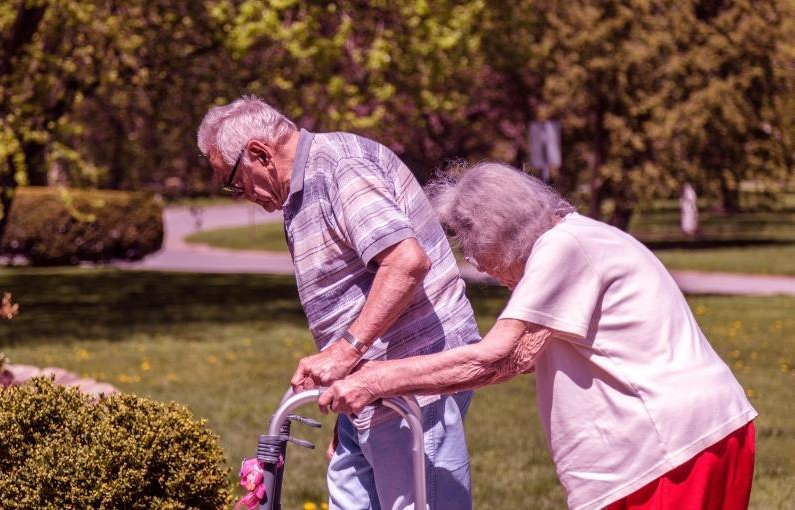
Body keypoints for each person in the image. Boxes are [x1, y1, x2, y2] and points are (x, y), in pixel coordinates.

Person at [320, 163, 758, 510]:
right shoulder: (579, 239)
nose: (479, 266)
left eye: (474, 248)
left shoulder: (562, 246)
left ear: (498, 231)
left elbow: (495, 357)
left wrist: (375, 380)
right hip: (690, 439)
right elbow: (511, 362)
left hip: (667, 449)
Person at [197, 96, 480, 509]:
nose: (239, 194)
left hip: (413, 379)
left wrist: (346, 353)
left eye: (234, 181)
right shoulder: (302, 187)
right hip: (365, 386)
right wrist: (347, 390)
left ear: (259, 153)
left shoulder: (338, 168)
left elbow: (405, 261)